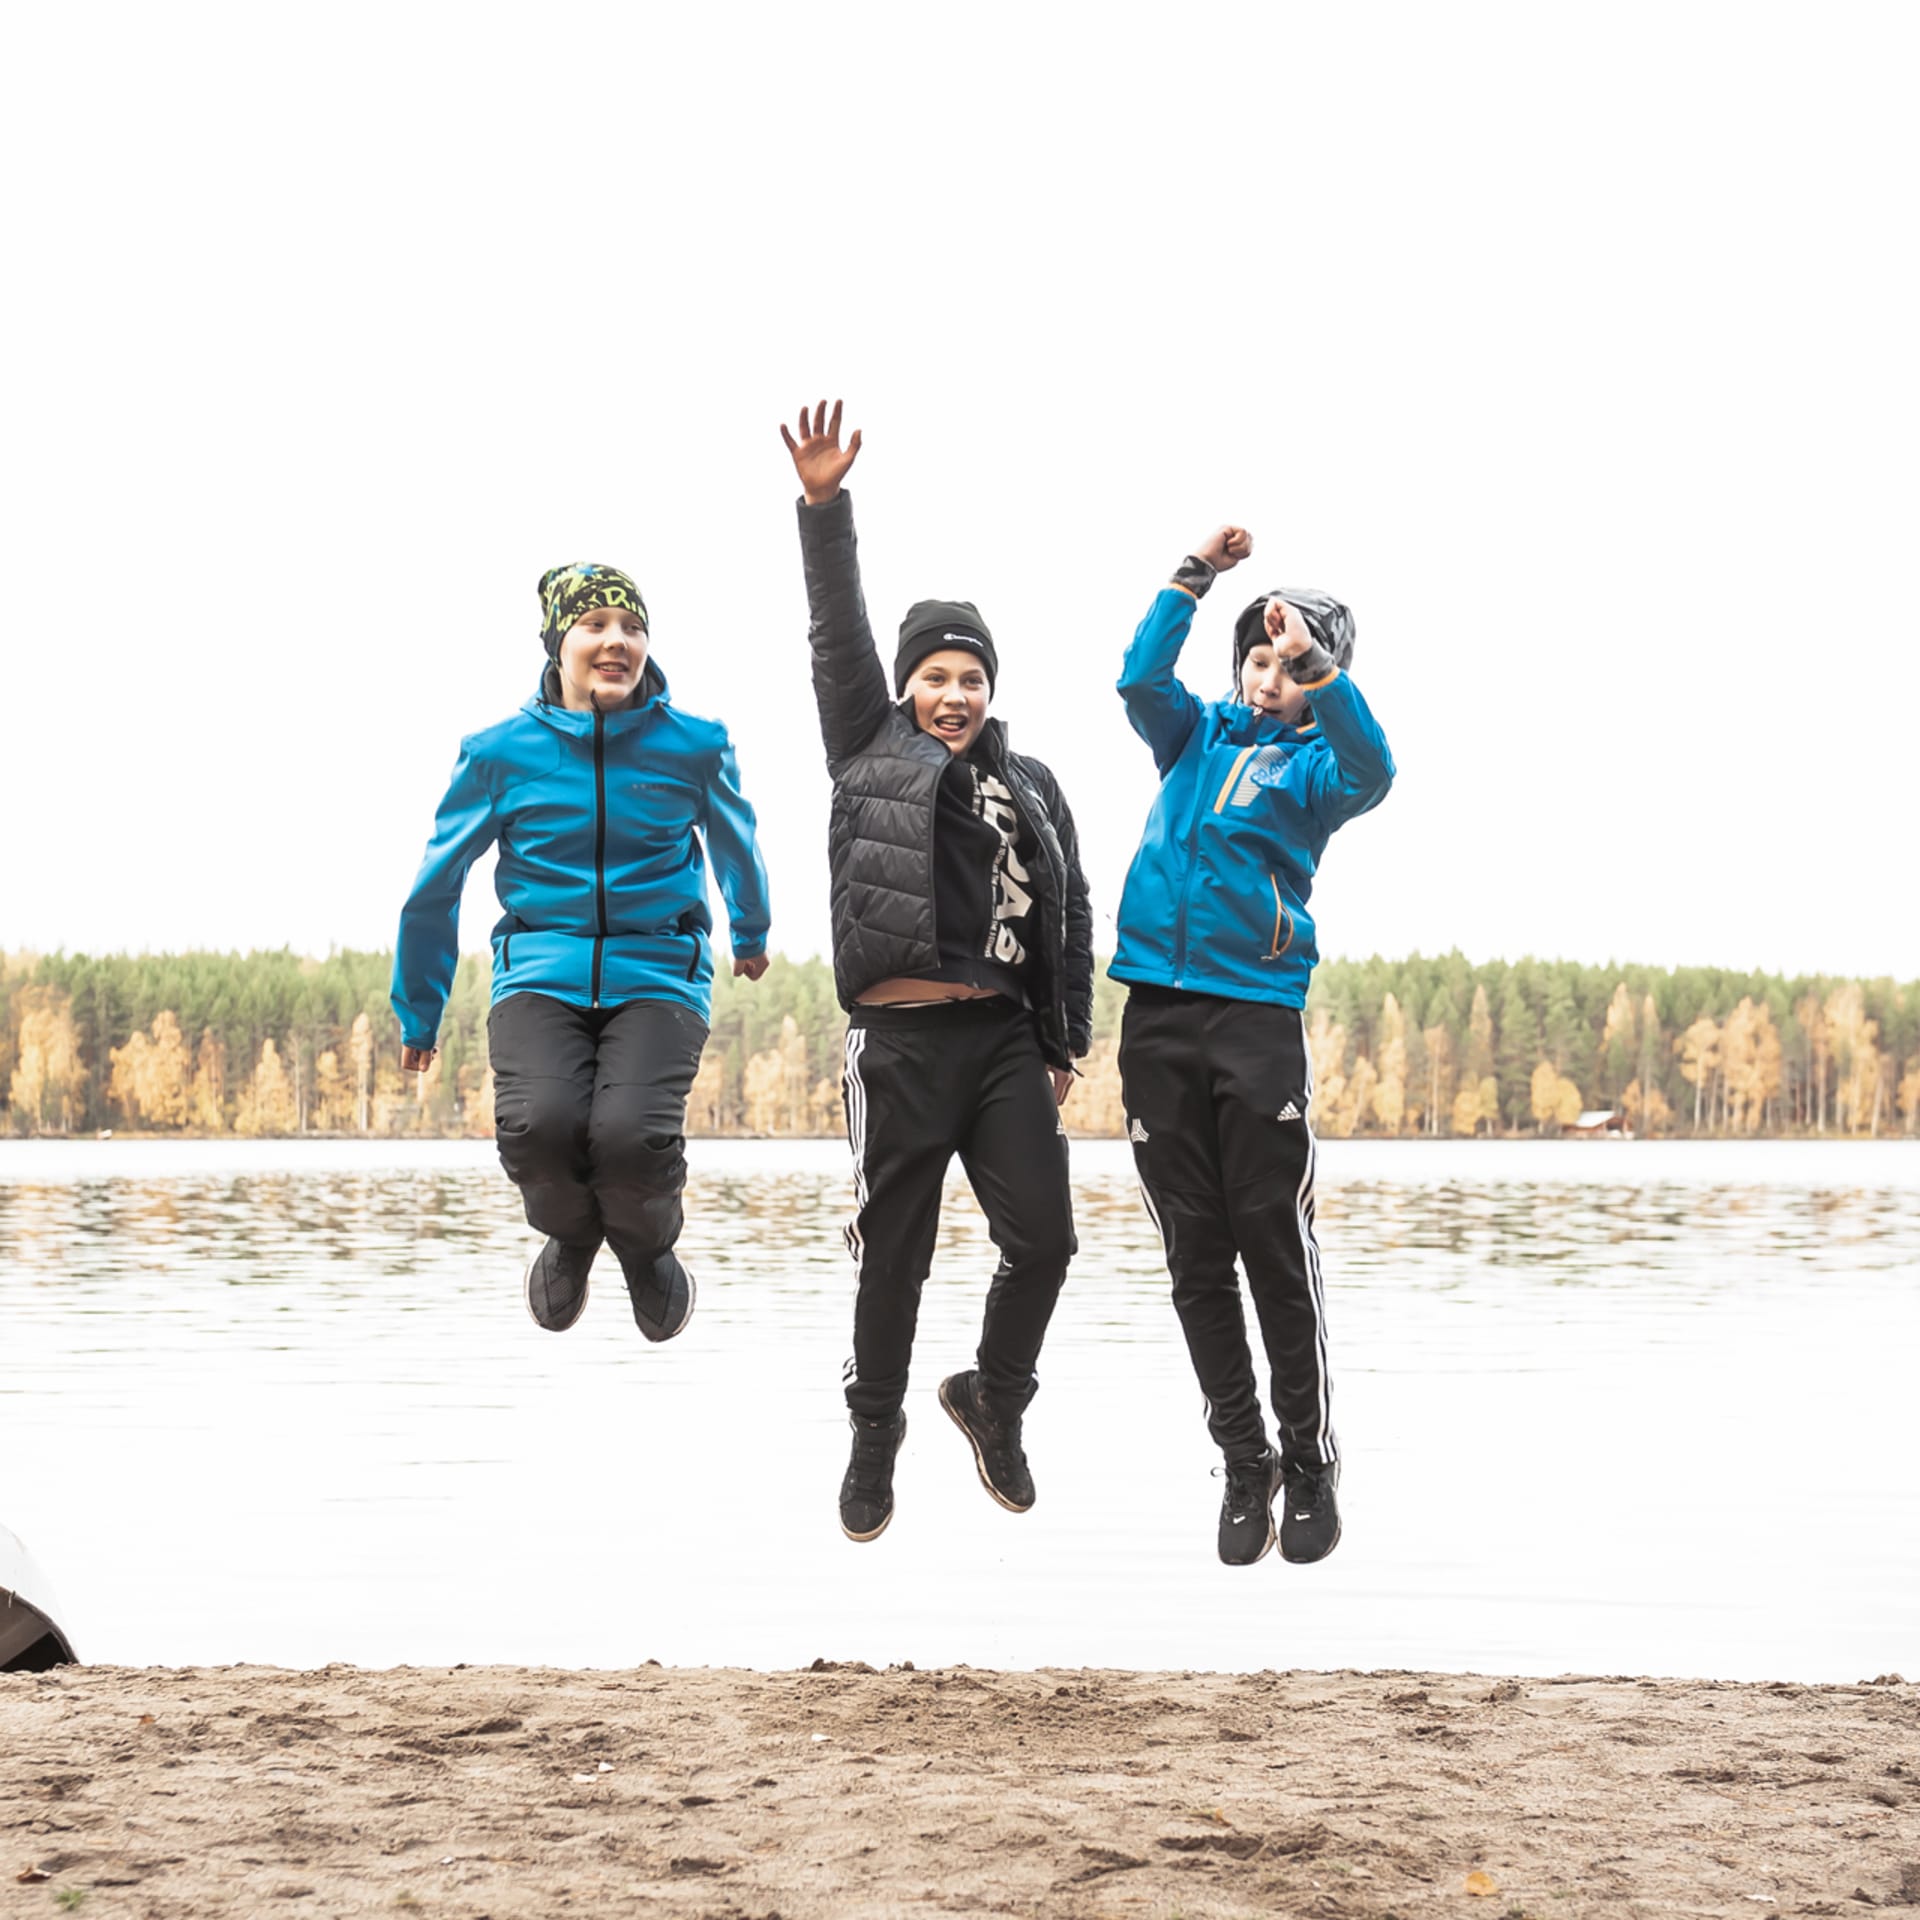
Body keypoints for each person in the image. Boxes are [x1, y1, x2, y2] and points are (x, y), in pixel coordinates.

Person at [780, 400, 1094, 1543]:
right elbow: (835, 637)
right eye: (937, 676)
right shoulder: (868, 748)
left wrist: (1065, 1041)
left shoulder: (1037, 784)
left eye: (972, 677)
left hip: (1006, 1044)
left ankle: (993, 1400)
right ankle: (875, 1434)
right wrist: (826, 508)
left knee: (1047, 1242)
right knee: (894, 1262)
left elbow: (1071, 909)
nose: (955, 694)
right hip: (902, 1044)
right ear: (909, 687)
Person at [1111, 525, 1394, 1568]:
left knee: (1271, 1241)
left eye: (1296, 664)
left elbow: (1376, 764)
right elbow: (1138, 676)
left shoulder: (1321, 768)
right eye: (1264, 658)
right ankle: (1244, 1461)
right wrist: (1195, 578)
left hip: (1254, 1018)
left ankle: (1309, 1459)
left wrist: (1321, 671)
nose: (1274, 678)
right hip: (1155, 1018)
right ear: (1239, 667)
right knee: (1195, 1254)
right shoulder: (1189, 739)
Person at [392, 563, 770, 1338]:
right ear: (556, 643)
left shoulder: (693, 746)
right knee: (540, 1129)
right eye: (594, 626)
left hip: (658, 973)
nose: (615, 642)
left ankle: (646, 1250)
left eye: (631, 628)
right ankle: (571, 1236)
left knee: (630, 1136)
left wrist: (752, 928)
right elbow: (436, 884)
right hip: (538, 970)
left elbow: (738, 839)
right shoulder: (499, 753)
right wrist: (417, 1012)